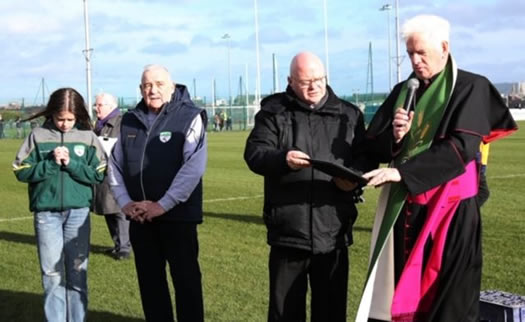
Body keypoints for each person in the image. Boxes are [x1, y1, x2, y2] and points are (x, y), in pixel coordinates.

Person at [356, 15, 518, 322]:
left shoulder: (472, 87)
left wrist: (403, 172)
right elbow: (373, 144)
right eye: (410, 54)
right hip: (409, 210)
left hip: (453, 213)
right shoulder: (405, 90)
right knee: (406, 298)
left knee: (450, 303)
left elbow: (461, 147)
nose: (415, 62)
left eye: (421, 53)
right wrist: (397, 136)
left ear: (444, 48)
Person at [244, 51, 368, 322]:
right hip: (289, 230)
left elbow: (365, 158)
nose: (313, 86)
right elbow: (254, 154)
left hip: (333, 230)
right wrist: (283, 159)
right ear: (290, 81)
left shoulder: (349, 115)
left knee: (331, 312)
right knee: (285, 313)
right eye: (305, 81)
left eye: (319, 79)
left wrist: (353, 180)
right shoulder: (273, 112)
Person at [109, 64, 207, 322]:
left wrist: (162, 205)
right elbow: (115, 164)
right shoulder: (129, 119)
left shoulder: (190, 116)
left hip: (178, 216)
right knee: (150, 285)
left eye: (158, 84)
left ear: (172, 86)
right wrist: (125, 202)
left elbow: (193, 168)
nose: (152, 90)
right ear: (140, 89)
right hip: (140, 218)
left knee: (186, 283)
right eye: (146, 85)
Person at [12, 88, 106, 322]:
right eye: (60, 118)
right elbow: (20, 170)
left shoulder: (88, 137)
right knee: (52, 274)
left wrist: (71, 163)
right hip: (46, 214)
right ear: (52, 114)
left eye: (70, 119)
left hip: (78, 214)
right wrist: (51, 163)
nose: (65, 124)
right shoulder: (37, 136)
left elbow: (99, 173)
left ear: (78, 116)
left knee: (77, 273)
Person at [92, 93, 131, 260]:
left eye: (99, 105)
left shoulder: (121, 123)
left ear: (110, 106)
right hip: (101, 173)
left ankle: (124, 247)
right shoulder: (98, 124)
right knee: (107, 209)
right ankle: (117, 245)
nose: (96, 108)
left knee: (119, 211)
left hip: (117, 174)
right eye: (96, 105)